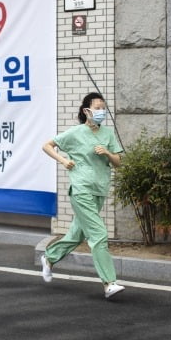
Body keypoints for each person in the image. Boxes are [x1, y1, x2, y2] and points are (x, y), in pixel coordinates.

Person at [40, 92, 125, 299]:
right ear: (86, 110)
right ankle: (109, 282)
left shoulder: (107, 134)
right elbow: (47, 145)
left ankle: (49, 258)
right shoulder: (75, 133)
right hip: (81, 189)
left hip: (99, 190)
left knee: (76, 235)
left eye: (103, 107)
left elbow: (118, 162)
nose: (101, 111)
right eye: (97, 107)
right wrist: (63, 160)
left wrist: (107, 153)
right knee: (98, 235)